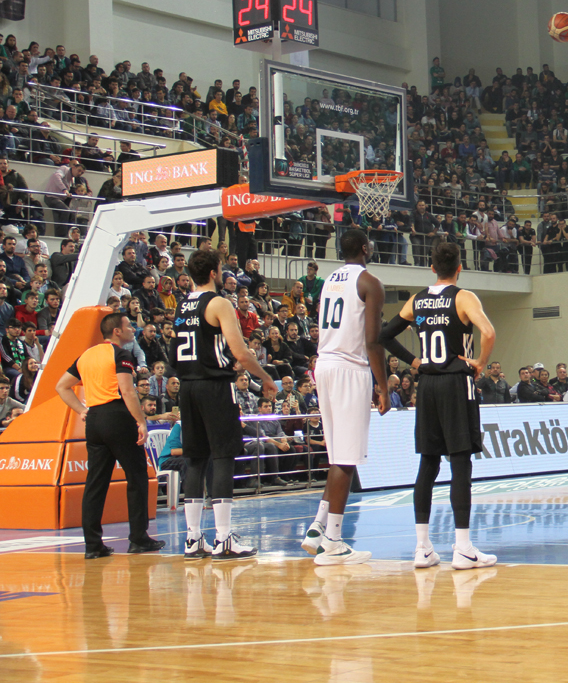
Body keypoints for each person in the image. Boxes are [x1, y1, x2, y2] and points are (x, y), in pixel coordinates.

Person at [388, 242, 497, 570]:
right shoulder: (463, 298)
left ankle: (422, 548)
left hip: (428, 386)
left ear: (432, 268)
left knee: (428, 463)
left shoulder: (417, 300)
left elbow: (384, 335)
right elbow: (488, 332)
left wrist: (414, 362)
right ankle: (462, 548)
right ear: (459, 268)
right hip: (455, 383)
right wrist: (480, 362)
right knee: (460, 463)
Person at [173, 249, 278, 561]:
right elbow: (241, 352)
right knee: (222, 457)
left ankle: (193, 539)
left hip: (187, 386)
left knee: (195, 459)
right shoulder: (219, 303)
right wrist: (265, 378)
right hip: (214, 386)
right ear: (214, 273)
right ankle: (223, 538)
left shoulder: (182, 304)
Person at [299, 229, 388, 565]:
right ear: (365, 248)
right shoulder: (370, 283)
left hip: (323, 365)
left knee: (338, 455)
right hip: (349, 368)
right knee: (346, 459)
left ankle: (318, 527)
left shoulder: (328, 281)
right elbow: (373, 341)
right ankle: (333, 542)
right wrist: (383, 386)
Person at [54, 313, 164, 559]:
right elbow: (127, 390)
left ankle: (93, 545)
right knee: (137, 477)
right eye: (128, 326)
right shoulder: (121, 354)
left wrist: (82, 410)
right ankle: (138, 539)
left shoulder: (86, 355)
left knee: (95, 482)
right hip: (117, 417)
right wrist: (141, 421)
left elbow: (61, 386)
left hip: (94, 420)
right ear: (116, 331)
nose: (132, 329)